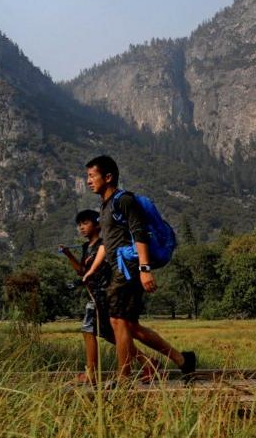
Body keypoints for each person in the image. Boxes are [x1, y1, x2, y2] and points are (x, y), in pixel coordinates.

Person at [82, 155, 196, 382]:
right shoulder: (105, 206)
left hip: (129, 269)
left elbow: (139, 233)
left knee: (118, 321)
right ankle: (183, 360)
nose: (88, 181)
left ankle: (124, 376)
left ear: (108, 177)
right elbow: (107, 242)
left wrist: (145, 269)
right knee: (131, 326)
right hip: (118, 269)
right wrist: (92, 269)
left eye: (91, 176)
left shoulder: (124, 201)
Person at [59, 209, 115, 384]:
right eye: (79, 225)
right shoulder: (86, 247)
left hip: (103, 295)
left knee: (90, 330)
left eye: (85, 223)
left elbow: (97, 271)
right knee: (110, 335)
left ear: (97, 224)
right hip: (94, 296)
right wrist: (69, 255)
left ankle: (91, 373)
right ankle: (149, 363)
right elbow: (82, 272)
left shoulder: (102, 245)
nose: (81, 228)